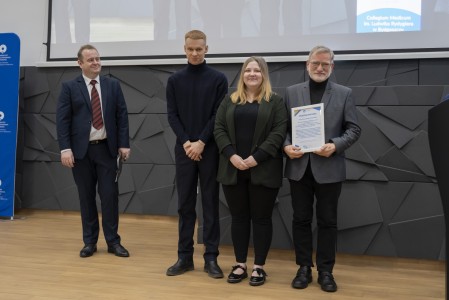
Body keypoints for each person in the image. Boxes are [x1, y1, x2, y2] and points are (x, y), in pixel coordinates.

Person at [283, 45, 361, 292]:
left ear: (332, 66)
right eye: (315, 63)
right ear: (307, 65)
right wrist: (285, 146)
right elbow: (282, 128)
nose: (319, 68)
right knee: (300, 219)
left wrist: (335, 145)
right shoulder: (291, 92)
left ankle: (326, 271)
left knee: (328, 222)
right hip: (299, 168)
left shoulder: (344, 93)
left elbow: (354, 129)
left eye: (325, 64)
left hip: (329, 168)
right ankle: (303, 267)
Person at [214, 56, 287, 286]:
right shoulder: (230, 100)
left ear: (263, 74)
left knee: (262, 219)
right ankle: (240, 264)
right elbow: (219, 129)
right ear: (242, 75)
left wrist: (255, 159)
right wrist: (232, 156)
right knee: (239, 218)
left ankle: (259, 267)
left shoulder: (275, 101)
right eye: (248, 70)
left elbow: (278, 133)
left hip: (263, 169)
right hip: (232, 169)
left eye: (257, 70)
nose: (252, 74)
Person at [56, 44, 131, 258]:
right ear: (80, 63)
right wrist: (65, 149)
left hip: (107, 150)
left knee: (109, 197)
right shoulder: (69, 87)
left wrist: (124, 144)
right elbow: (62, 122)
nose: (96, 63)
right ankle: (89, 242)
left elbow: (122, 116)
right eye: (90, 60)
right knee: (86, 197)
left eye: (98, 59)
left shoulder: (112, 85)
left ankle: (113, 242)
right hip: (80, 153)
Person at [166, 30, 228, 278]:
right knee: (185, 206)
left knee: (210, 203)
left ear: (206, 49)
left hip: (209, 150)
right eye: (190, 49)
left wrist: (201, 141)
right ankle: (184, 257)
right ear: (184, 49)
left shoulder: (218, 79)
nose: (194, 53)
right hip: (184, 151)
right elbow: (172, 116)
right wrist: (188, 143)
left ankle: (211, 258)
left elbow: (218, 115)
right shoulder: (174, 80)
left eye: (199, 49)